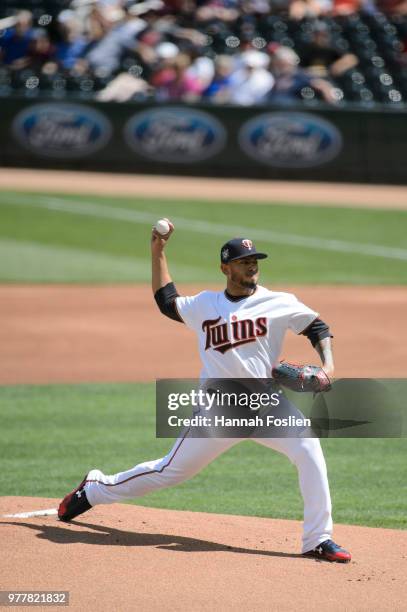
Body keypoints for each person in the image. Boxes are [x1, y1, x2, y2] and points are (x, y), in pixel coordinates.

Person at [58, 221, 351, 563]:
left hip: (269, 405)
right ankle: (94, 488)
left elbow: (317, 327)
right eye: (244, 261)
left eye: (255, 259)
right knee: (168, 472)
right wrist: (158, 252)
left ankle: (318, 539)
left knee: (308, 449)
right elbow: (166, 301)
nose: (252, 265)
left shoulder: (279, 302)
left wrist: (328, 366)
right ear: (225, 268)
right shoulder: (204, 305)